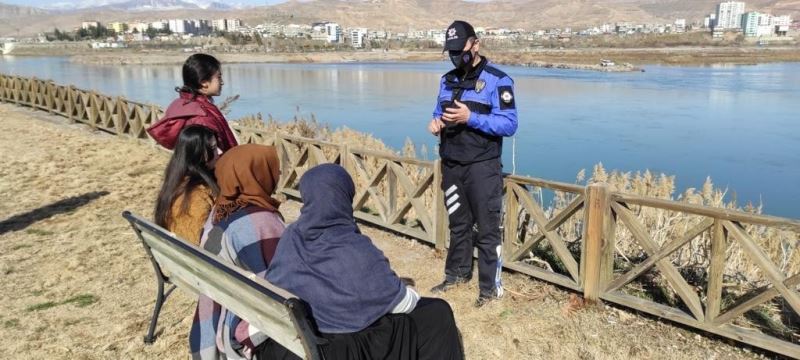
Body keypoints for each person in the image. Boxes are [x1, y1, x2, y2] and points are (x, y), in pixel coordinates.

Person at [267, 164, 464, 360]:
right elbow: (402, 304)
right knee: (438, 312)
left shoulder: (292, 236)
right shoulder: (352, 246)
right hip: (342, 350)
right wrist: (405, 290)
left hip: (304, 341)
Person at [427, 20, 518, 307]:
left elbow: (510, 124)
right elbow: (436, 111)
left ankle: (489, 291)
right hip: (452, 165)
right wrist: (436, 123)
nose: (456, 56)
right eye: (451, 52)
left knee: (488, 230)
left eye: (460, 50)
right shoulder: (447, 80)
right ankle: (456, 275)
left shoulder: (498, 81)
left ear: (475, 45)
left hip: (482, 168)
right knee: (458, 224)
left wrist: (471, 118)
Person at [189, 144, 293, 360]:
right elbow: (283, 286)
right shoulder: (261, 223)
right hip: (245, 330)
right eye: (271, 168)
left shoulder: (220, 212)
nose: (278, 174)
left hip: (220, 317)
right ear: (255, 174)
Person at [147, 53, 238, 152]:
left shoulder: (186, 105)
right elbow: (210, 157)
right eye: (219, 77)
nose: (222, 82)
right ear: (203, 82)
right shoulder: (201, 118)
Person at [154, 125, 221, 246]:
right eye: (213, 148)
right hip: (199, 260)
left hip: (178, 257)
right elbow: (198, 241)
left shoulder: (175, 183)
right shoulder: (197, 195)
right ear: (198, 153)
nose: (219, 152)